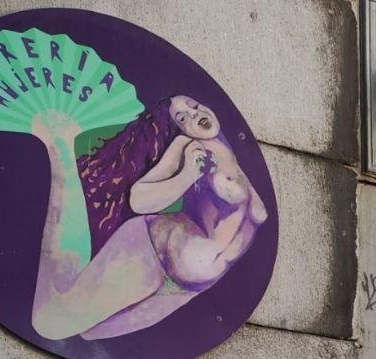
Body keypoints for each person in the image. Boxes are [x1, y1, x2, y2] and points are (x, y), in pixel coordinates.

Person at [30, 96, 268, 341]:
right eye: (182, 118)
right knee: (51, 322)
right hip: (154, 252)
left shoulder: (235, 153)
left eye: (195, 106)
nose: (194, 115)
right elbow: (139, 198)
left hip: (187, 286)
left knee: (91, 335)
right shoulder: (188, 147)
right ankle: (60, 151)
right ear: (181, 129)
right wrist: (187, 174)